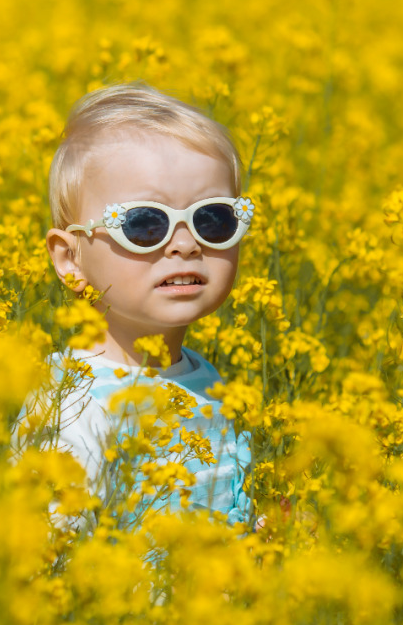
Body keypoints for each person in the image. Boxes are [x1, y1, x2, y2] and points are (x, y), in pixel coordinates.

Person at [16, 82, 257, 532]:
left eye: (213, 220)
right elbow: (52, 566)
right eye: (146, 224)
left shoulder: (207, 380)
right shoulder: (69, 408)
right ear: (71, 259)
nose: (185, 245)